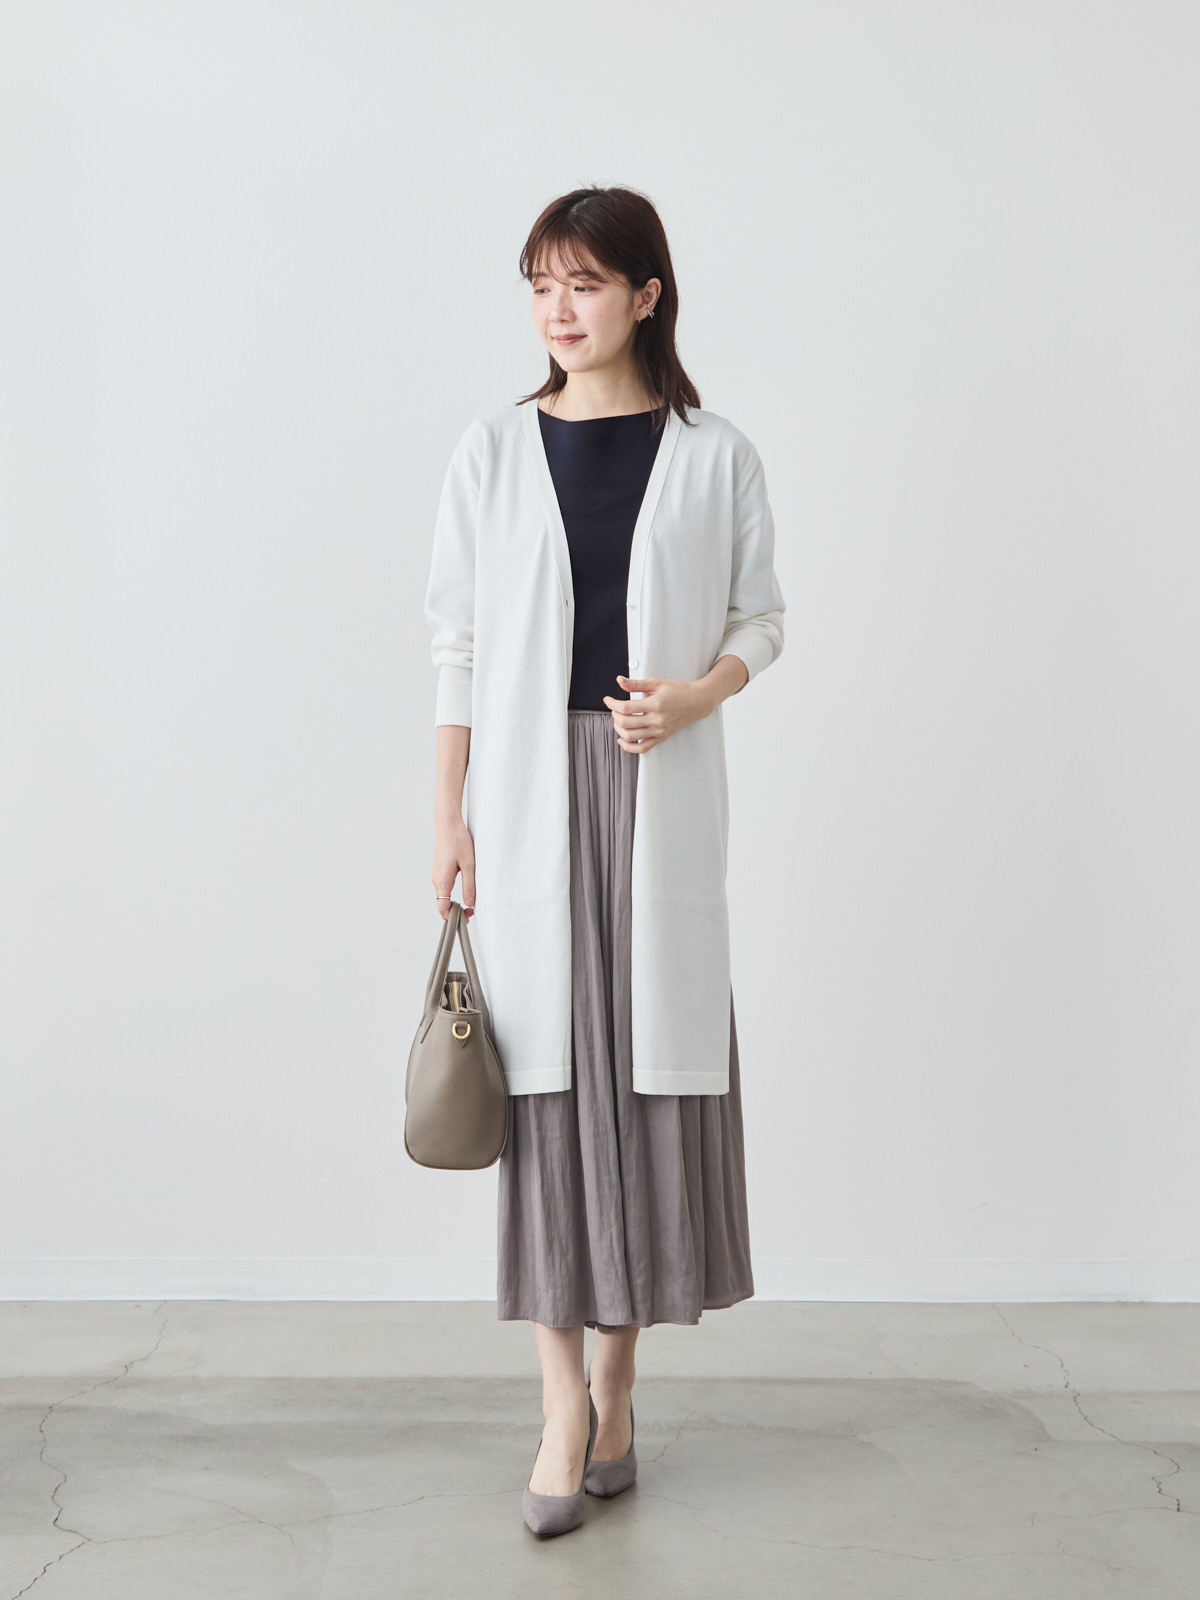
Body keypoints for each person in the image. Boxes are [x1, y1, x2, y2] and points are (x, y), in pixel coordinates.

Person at [424, 184, 786, 1537]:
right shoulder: (493, 451)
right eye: (540, 285)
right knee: (546, 1092)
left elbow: (763, 618)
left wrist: (697, 695)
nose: (558, 310)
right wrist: (450, 817)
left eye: (582, 283)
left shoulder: (715, 454)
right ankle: (560, 1411)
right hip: (529, 798)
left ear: (646, 293)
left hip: (657, 793)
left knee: (643, 1084)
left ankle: (620, 1386)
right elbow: (456, 644)